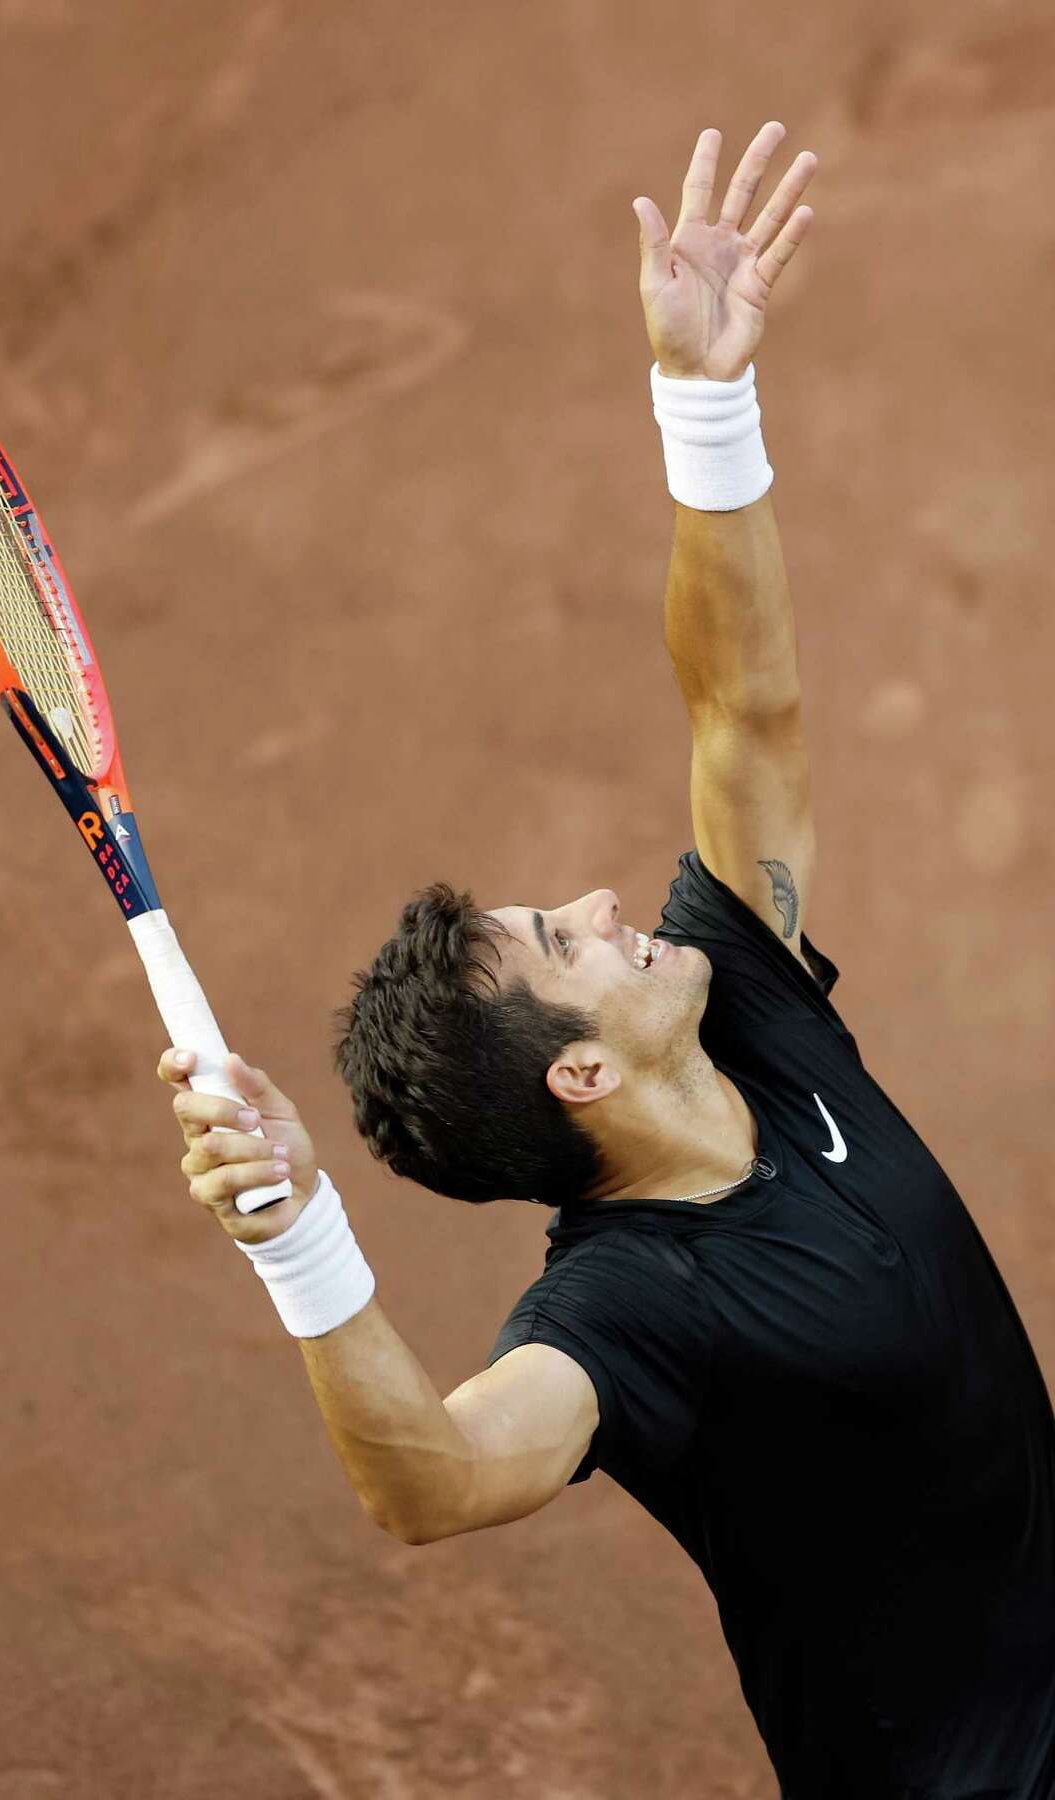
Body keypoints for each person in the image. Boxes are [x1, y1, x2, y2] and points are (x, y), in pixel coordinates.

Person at [157, 122, 1055, 1798]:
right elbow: (432, 1480)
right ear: (580, 1072)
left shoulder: (741, 1001)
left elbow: (744, 705)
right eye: (563, 942)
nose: (598, 899)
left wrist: (704, 402)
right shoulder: (629, 1315)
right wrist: (296, 1239)